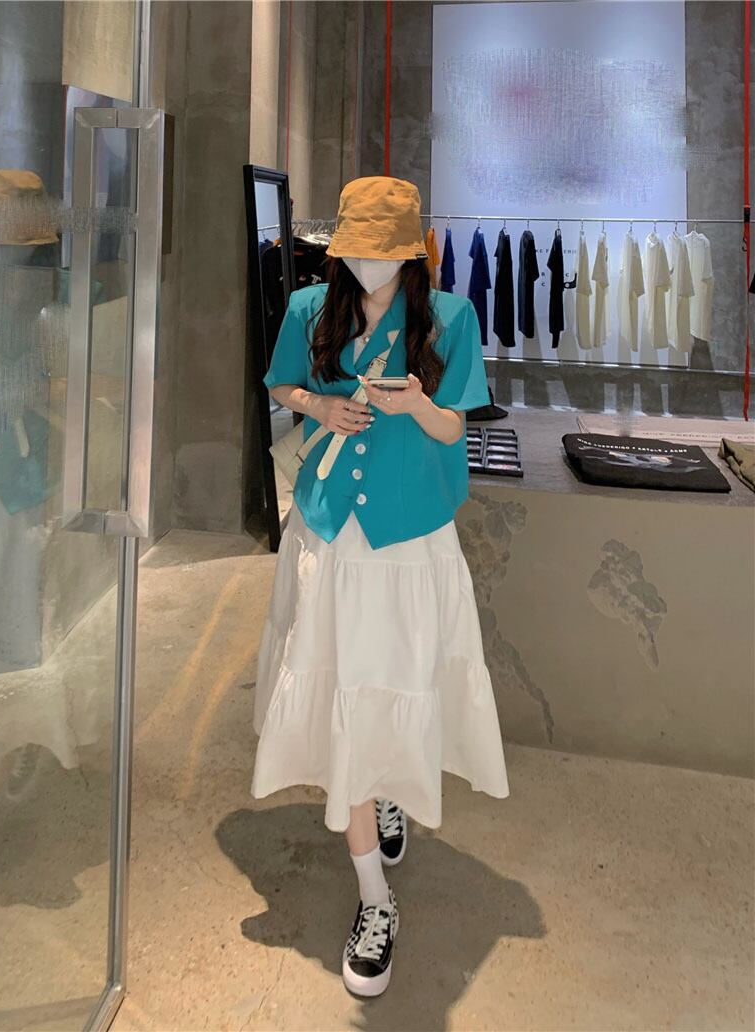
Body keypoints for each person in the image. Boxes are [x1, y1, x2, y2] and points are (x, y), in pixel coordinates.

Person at [250, 176, 510, 997]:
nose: (367, 264)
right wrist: (319, 409)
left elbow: (455, 424)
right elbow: (280, 386)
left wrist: (417, 404)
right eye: (356, 250)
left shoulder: (450, 318)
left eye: (382, 251)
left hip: (409, 538)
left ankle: (388, 789)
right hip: (329, 531)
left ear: (409, 253)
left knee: (396, 680)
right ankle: (374, 897)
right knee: (341, 689)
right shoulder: (308, 308)